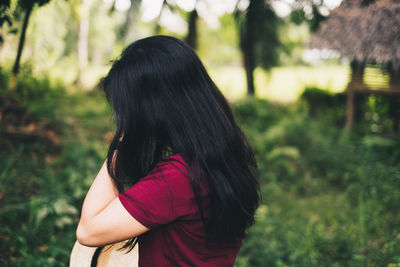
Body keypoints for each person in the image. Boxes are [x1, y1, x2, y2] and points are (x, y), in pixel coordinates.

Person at [76, 35, 260, 267]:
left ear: (151, 108)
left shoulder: (179, 177)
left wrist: (123, 138)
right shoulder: (222, 156)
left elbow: (88, 231)